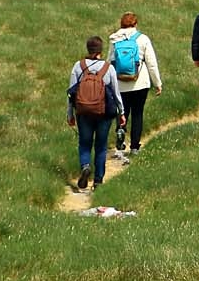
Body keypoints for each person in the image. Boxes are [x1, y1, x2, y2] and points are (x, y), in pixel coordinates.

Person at [67, 36, 126, 192]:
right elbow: (116, 93)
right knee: (101, 146)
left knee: (84, 143)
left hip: (83, 112)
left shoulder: (78, 66)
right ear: (100, 50)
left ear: (88, 49)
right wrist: (122, 112)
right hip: (104, 113)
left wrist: (70, 114)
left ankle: (85, 166)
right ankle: (98, 181)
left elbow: (71, 94)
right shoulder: (108, 68)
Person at [107, 12, 162, 155]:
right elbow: (151, 64)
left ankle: (120, 134)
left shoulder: (114, 40)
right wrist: (157, 83)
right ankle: (135, 147)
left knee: (122, 112)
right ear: (135, 24)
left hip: (120, 84)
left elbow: (109, 62)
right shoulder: (143, 39)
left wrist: (108, 84)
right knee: (137, 114)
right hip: (140, 83)